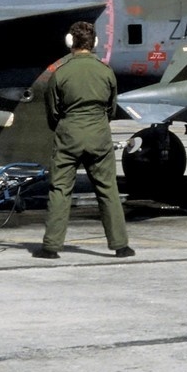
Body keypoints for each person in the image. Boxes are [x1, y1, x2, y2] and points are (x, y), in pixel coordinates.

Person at [34, 21, 133, 259]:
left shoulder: (61, 72)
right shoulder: (105, 71)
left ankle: (51, 247)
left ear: (71, 43)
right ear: (94, 43)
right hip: (99, 135)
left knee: (60, 189)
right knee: (108, 190)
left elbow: (53, 111)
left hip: (69, 135)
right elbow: (111, 108)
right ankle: (121, 246)